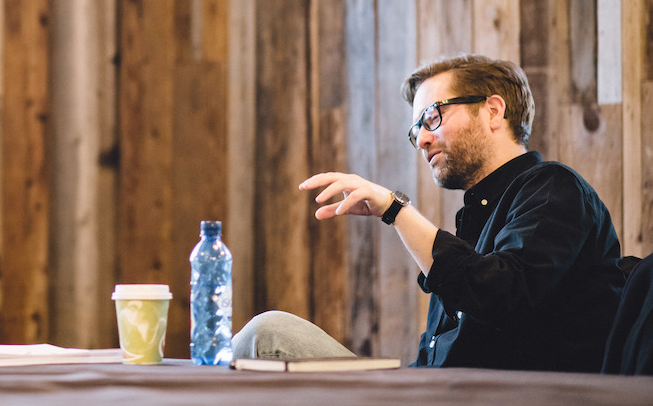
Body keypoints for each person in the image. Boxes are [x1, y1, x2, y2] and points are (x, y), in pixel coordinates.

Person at [233, 54, 625, 372]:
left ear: (492, 111)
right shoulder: (474, 220)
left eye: (432, 117)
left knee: (268, 334)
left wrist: (395, 210)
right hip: (431, 401)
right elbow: (435, 358)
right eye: (415, 129)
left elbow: (504, 297)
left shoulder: (554, 188)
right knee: (265, 342)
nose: (421, 139)